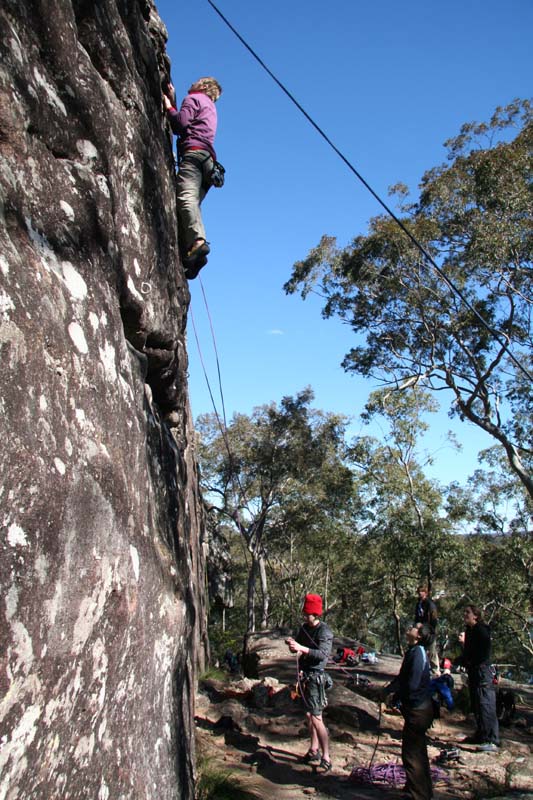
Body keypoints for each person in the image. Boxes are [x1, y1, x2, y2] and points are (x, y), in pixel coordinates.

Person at [163, 77, 222, 279]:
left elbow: (181, 124)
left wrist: (169, 107)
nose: (191, 84)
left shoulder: (194, 98)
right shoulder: (210, 107)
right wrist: (174, 99)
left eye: (196, 82)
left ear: (203, 86)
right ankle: (191, 256)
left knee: (185, 199)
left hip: (194, 155)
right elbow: (192, 124)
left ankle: (197, 242)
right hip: (209, 163)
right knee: (189, 207)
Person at [384, 623, 434, 800]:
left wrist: (397, 696)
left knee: (412, 754)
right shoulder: (414, 651)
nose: (411, 627)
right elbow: (402, 678)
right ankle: (419, 790)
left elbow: (412, 684)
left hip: (418, 710)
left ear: (419, 635)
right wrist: (389, 690)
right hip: (417, 709)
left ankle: (417, 794)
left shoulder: (418, 653)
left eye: (415, 627)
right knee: (417, 752)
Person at [286, 593, 334, 773]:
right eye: (304, 614)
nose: (305, 617)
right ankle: (314, 749)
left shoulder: (324, 632)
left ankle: (326, 757)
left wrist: (301, 648)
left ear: (315, 614)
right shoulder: (304, 628)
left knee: (317, 717)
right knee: (308, 715)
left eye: (308, 614)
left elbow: (322, 654)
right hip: (304, 676)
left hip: (316, 677)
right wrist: (293, 645)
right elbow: (299, 647)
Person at [457, 604, 499, 752]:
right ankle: (481, 735)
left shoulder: (481, 630)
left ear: (475, 615)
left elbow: (483, 653)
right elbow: (468, 652)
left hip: (483, 671)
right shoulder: (470, 630)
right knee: (476, 703)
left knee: (485, 703)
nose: (465, 614)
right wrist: (461, 659)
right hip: (474, 671)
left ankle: (492, 740)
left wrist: (470, 661)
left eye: (467, 612)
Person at [414, 584, 439, 674]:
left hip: (429, 632)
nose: (420, 593)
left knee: (432, 651)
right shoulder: (418, 604)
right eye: (419, 591)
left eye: (422, 591)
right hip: (420, 631)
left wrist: (426, 628)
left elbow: (433, 621)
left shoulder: (430, 605)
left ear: (425, 593)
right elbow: (417, 617)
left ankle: (435, 671)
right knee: (420, 650)